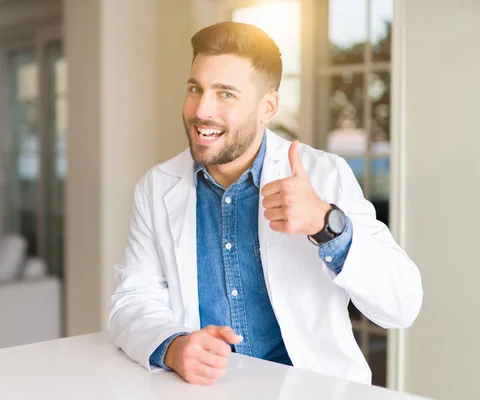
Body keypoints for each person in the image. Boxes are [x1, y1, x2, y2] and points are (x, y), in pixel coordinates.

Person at [108, 21, 423, 386]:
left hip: (311, 391)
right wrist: (174, 346)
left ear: (268, 106)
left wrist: (326, 223)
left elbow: (403, 305)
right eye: (196, 88)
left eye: (226, 94)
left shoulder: (326, 176)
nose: (201, 110)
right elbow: (131, 301)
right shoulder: (156, 187)